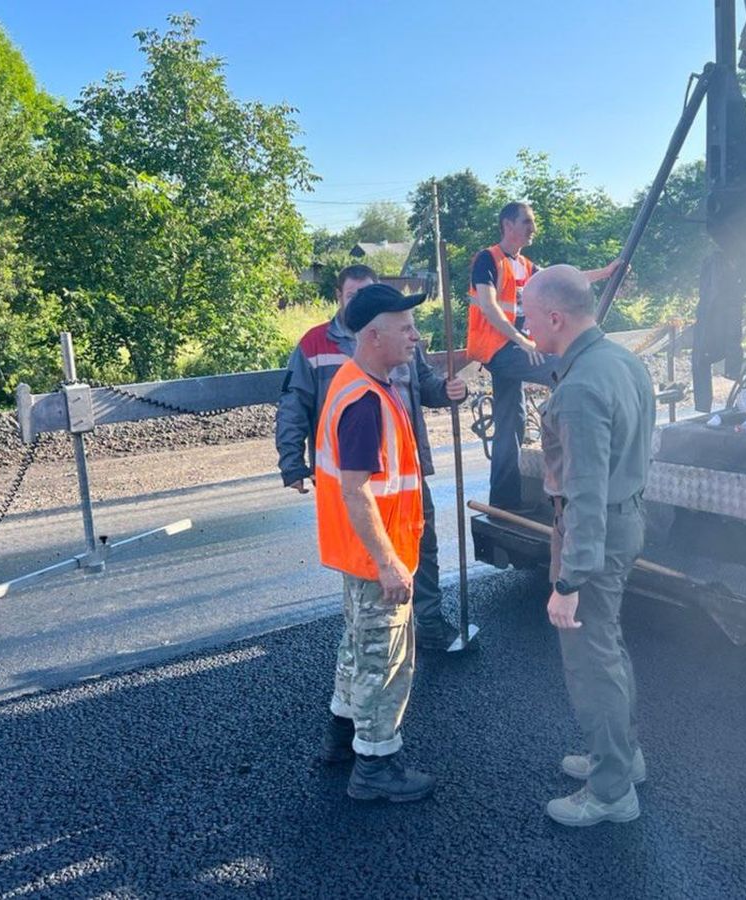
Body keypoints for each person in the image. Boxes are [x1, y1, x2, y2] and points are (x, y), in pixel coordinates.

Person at [519, 265, 656, 827]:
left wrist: (569, 582)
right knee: (608, 645)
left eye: (527, 315)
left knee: (591, 663)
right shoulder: (622, 359)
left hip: (590, 536)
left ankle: (610, 792)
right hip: (624, 521)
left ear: (555, 317)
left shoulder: (578, 389)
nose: (523, 324)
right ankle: (623, 758)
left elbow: (586, 495)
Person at [276, 265, 471, 652]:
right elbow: (294, 402)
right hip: (361, 483)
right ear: (340, 298)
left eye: (370, 293)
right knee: (371, 566)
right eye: (354, 296)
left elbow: (424, 386)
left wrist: (449, 391)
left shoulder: (399, 339)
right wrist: (291, 460)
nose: (362, 301)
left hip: (404, 475)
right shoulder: (317, 344)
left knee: (419, 545)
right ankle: (372, 654)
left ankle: (426, 622)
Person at [313, 282, 437, 802]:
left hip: (360, 554)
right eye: (405, 327)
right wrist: (389, 563)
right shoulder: (364, 399)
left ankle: (341, 738)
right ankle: (375, 768)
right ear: (372, 335)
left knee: (357, 649)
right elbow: (357, 490)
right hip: (374, 559)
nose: (415, 335)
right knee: (383, 662)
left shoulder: (361, 382)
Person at [466, 202, 621, 511]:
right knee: (562, 368)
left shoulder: (525, 264)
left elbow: (565, 280)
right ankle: (576, 458)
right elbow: (489, 306)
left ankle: (504, 504)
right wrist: (522, 340)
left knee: (511, 424)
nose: (532, 228)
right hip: (500, 348)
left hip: (512, 347)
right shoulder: (487, 259)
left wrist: (605, 272)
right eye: (527, 222)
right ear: (508, 225)